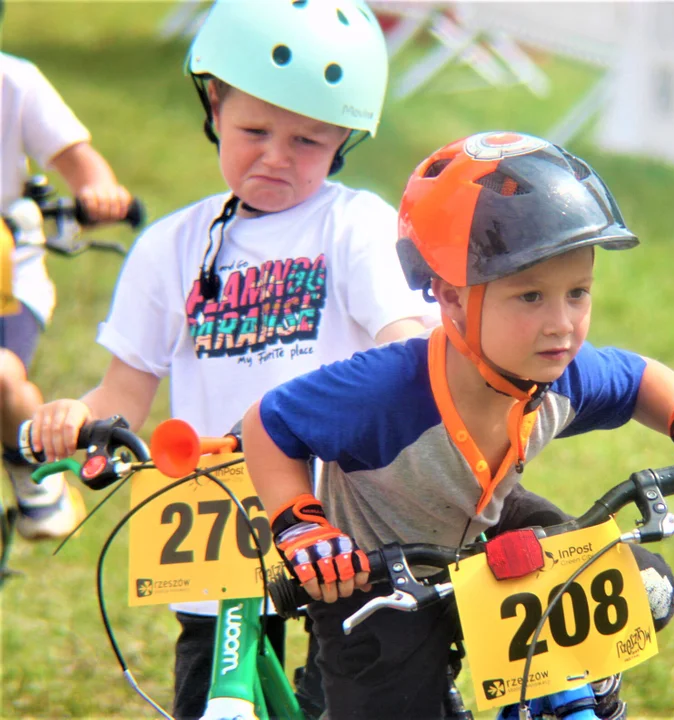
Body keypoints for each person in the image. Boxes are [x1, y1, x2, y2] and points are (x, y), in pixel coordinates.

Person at [240, 130, 674, 719]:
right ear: (451, 297)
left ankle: (581, 689)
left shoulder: (562, 374)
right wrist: (301, 524)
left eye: (578, 293)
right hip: (373, 573)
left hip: (488, 524)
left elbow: (641, 379)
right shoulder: (383, 391)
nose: (561, 325)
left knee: (642, 588)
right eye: (530, 297)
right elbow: (269, 424)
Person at [24, 0, 432, 717]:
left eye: (307, 140)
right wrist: (74, 417)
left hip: (336, 514)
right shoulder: (172, 248)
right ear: (214, 104)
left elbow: (402, 337)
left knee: (354, 690)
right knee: (206, 693)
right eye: (254, 131)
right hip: (216, 522)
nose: (276, 156)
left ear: (343, 140)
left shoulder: (352, 226)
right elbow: (126, 388)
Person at [1, 44, 133, 540]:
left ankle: (29, 475)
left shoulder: (15, 82)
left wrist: (99, 190)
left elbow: (81, 163)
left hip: (7, 278)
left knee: (3, 375)